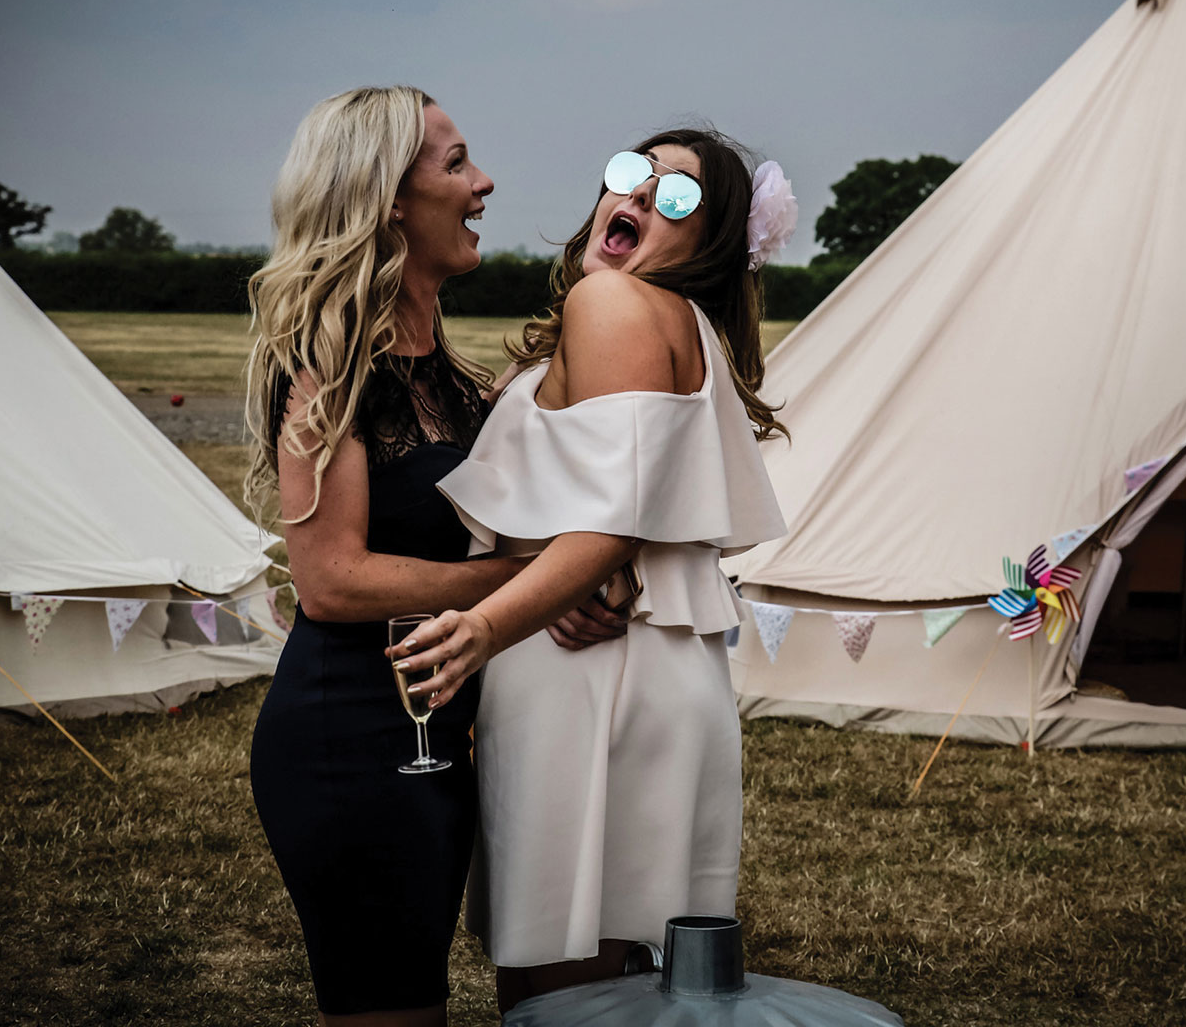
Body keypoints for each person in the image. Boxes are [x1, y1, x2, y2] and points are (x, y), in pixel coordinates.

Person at [392, 127, 797, 1012]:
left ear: (712, 243)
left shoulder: (611, 303)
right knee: (632, 982)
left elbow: (614, 519)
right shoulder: (666, 318)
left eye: (679, 197)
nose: (642, 197)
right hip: (642, 669)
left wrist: (491, 623)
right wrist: (561, 566)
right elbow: (615, 508)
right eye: (632, 174)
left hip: (596, 678)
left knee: (566, 986)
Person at [245, 86, 624, 1027]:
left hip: (446, 736)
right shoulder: (327, 362)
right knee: (390, 1006)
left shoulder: (456, 381)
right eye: (456, 163)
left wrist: (580, 574)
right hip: (355, 742)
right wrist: (532, 590)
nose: (484, 181)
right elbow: (332, 581)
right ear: (386, 202)